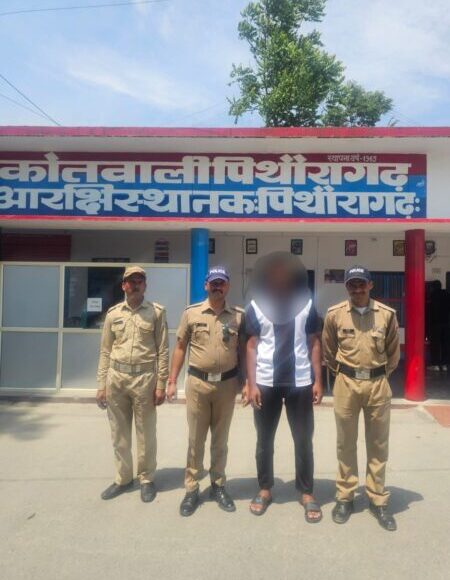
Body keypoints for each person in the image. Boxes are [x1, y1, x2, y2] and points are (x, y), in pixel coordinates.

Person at [244, 252, 324, 522]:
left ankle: (306, 492)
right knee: (264, 440)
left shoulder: (306, 305)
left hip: (300, 382)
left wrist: (318, 380)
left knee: (303, 440)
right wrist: (251, 384)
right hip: (265, 382)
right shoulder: (256, 306)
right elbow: (251, 346)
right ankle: (265, 488)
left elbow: (314, 342)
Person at [322, 266, 400, 531]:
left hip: (378, 384)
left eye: (361, 284)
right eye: (352, 285)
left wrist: (379, 375)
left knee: (378, 444)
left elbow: (393, 353)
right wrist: (343, 374)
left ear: (370, 285)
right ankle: (345, 496)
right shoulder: (335, 314)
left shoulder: (387, 315)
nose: (357, 289)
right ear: (347, 287)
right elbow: (329, 350)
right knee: (345, 443)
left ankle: (377, 498)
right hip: (346, 383)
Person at [167, 266, 245, 517]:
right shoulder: (191, 313)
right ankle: (192, 488)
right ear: (206, 285)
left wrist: (246, 383)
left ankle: (218, 485)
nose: (217, 287)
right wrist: (171, 380)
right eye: (214, 283)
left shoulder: (238, 316)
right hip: (198, 384)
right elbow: (180, 347)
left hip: (226, 385)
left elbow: (244, 352)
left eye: (222, 283)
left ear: (228, 286)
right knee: (196, 439)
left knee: (220, 440)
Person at [96, 266, 169, 503]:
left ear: (145, 285)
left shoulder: (156, 312)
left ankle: (146, 479)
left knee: (146, 432)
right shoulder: (113, 314)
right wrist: (101, 384)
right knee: (119, 433)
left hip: (144, 379)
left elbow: (163, 350)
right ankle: (123, 478)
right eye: (131, 281)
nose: (135, 284)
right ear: (123, 286)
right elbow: (105, 351)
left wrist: (161, 384)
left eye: (139, 281)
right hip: (116, 379)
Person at [426, 280, 450, 372]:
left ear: (433, 287)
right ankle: (444, 365)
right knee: (445, 344)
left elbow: (430, 312)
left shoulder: (432, 296)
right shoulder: (447, 294)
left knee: (435, 345)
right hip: (446, 324)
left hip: (435, 324)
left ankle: (435, 364)